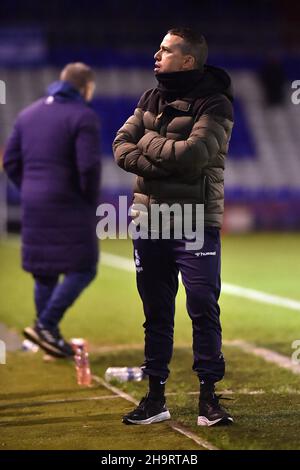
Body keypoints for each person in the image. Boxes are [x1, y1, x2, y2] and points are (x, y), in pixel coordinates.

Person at [113, 28, 234, 426]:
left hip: (195, 221)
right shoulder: (151, 97)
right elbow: (119, 146)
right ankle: (155, 399)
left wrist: (146, 141)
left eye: (165, 50)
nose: (156, 54)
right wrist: (164, 155)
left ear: (187, 60)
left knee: (202, 305)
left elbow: (195, 155)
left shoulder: (215, 102)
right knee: (156, 312)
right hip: (148, 220)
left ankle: (208, 400)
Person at [3, 62, 101, 358]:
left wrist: (30, 188)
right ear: (86, 87)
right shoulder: (83, 116)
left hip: (33, 202)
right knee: (84, 267)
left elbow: (9, 161)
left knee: (44, 271)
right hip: (69, 202)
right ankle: (46, 324)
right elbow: (89, 166)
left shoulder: (27, 114)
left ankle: (49, 336)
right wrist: (89, 199)